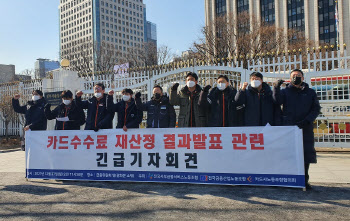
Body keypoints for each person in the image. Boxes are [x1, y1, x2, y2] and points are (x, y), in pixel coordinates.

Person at [273, 69, 321, 190]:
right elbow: (277, 101)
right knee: (289, 154)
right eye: (294, 76)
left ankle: (304, 180)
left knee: (306, 154)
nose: (296, 78)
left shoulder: (310, 92)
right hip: (290, 128)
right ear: (290, 78)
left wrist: (307, 121)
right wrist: (276, 88)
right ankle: (289, 179)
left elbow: (316, 109)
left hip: (305, 127)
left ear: (303, 78)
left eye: (298, 76)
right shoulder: (285, 92)